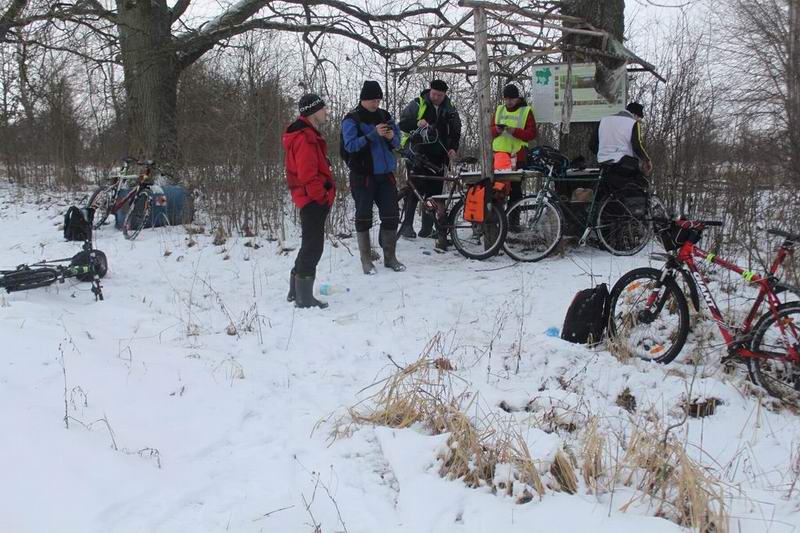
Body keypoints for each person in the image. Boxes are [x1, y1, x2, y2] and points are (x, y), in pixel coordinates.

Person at [341, 80, 406, 275]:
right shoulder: (351, 119)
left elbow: (398, 141)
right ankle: (366, 260)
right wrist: (372, 134)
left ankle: (390, 257)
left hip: (385, 175)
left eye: (378, 100)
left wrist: (389, 137)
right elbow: (350, 146)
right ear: (363, 99)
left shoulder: (384, 116)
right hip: (363, 175)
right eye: (372, 100)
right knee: (363, 217)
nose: (376, 104)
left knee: (391, 214)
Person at [282, 94, 335, 309]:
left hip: (309, 198)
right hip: (312, 199)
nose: (326, 112)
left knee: (309, 245)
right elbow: (306, 174)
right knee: (313, 247)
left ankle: (296, 292)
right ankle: (303, 298)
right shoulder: (304, 137)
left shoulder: (307, 134)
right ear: (313, 112)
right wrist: (321, 196)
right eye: (323, 109)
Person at [398, 79, 461, 239]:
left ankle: (427, 228)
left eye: (439, 95)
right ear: (429, 91)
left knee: (434, 194)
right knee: (414, 190)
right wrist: (416, 123)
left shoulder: (450, 110)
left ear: (445, 94)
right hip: (417, 154)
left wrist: (453, 148)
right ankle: (407, 226)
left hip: (440, 156)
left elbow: (455, 131)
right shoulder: (418, 104)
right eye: (433, 94)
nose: (435, 97)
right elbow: (402, 124)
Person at [491, 83, 537, 229]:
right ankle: (495, 221)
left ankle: (513, 223)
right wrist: (496, 130)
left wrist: (514, 131)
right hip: (499, 157)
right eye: (506, 99)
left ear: (518, 98)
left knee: (516, 191)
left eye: (512, 99)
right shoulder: (499, 110)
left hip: (518, 157)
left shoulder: (526, 111)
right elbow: (489, 131)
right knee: (497, 190)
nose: (509, 102)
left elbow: (531, 134)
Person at [591, 102, 653, 191]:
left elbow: (592, 144)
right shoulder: (633, 123)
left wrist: (603, 154)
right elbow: (636, 145)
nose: (638, 120)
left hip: (603, 162)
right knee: (641, 181)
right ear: (635, 114)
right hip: (623, 163)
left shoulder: (603, 120)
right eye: (639, 117)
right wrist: (647, 160)